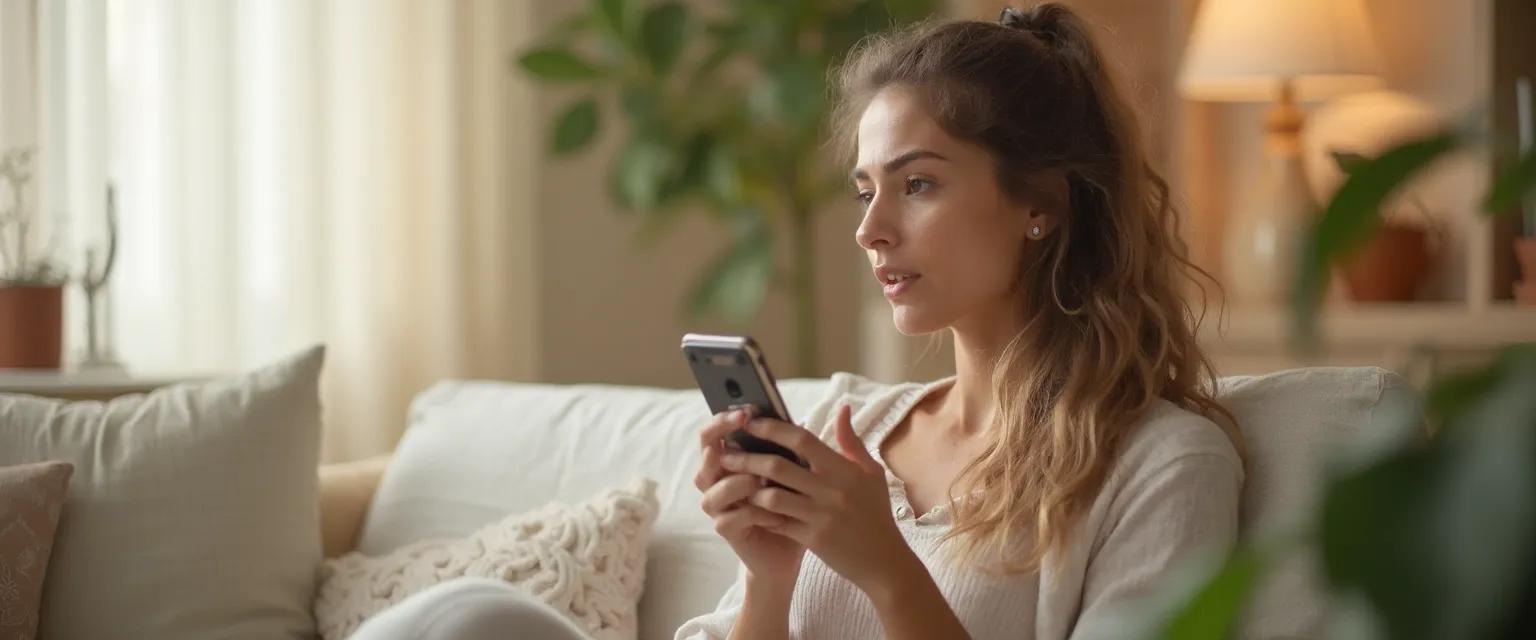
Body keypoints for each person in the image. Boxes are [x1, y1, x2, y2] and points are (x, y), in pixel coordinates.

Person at [675, 4, 1244, 639]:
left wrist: (890, 572)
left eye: (917, 184)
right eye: (865, 192)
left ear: (1041, 204)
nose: (869, 230)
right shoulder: (844, 433)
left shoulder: (1163, 464)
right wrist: (768, 579)